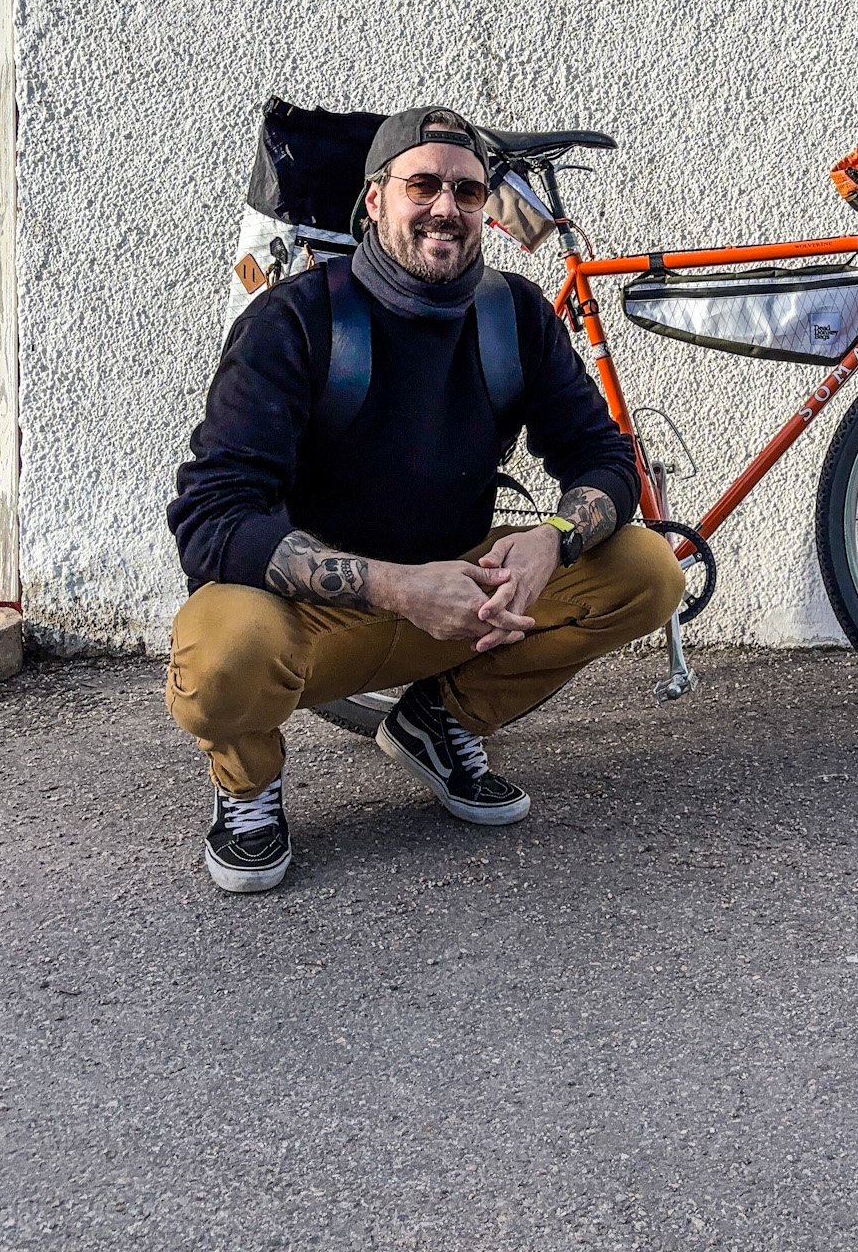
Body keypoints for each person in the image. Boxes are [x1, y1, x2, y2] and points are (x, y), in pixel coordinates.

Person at [165, 105, 684, 893]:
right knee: (222, 656)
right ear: (376, 201)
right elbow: (212, 520)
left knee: (646, 570)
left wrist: (552, 538)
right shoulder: (295, 321)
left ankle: (439, 724)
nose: (446, 207)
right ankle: (247, 784)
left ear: (485, 208)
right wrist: (399, 587)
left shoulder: (515, 316)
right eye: (423, 185)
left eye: (468, 191)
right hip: (309, 620)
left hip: (461, 603)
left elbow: (604, 460)